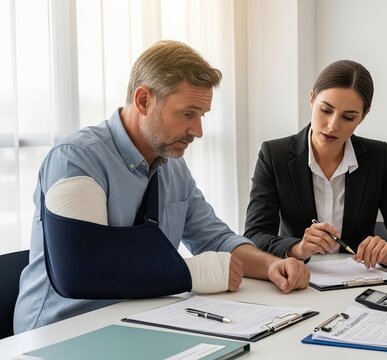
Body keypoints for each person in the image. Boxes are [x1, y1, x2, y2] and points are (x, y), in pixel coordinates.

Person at [14, 40, 309, 333]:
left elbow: (215, 239)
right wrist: (194, 273)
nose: (198, 131)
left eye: (201, 116)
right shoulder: (77, 159)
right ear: (143, 100)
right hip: (62, 330)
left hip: (139, 319)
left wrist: (271, 266)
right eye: (187, 114)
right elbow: (82, 272)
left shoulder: (173, 167)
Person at [244, 60, 387, 269]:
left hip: (358, 282)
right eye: (326, 110)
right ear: (312, 99)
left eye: (348, 117)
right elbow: (254, 235)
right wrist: (298, 248)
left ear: (363, 116)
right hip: (297, 279)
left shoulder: (378, 157)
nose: (333, 126)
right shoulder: (274, 155)